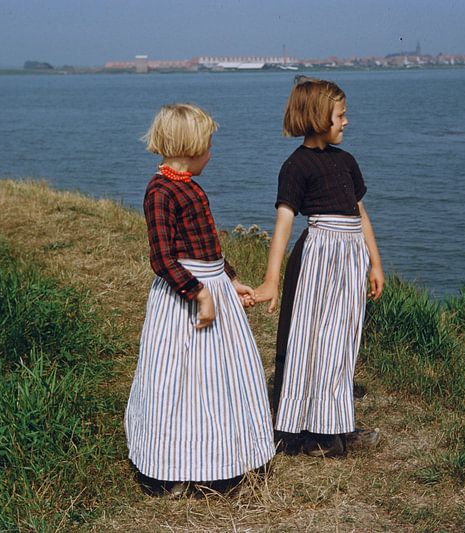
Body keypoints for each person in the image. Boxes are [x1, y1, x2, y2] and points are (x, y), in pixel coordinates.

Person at [125, 103, 275, 496]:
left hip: (211, 286)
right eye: (209, 144)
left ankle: (221, 460)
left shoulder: (190, 186)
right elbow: (162, 258)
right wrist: (200, 293)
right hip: (183, 299)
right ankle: (167, 466)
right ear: (191, 146)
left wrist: (229, 281)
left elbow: (207, 247)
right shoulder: (160, 192)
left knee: (219, 381)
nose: (212, 151)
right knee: (176, 381)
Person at [255, 77, 384, 458]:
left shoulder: (346, 162)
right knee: (313, 342)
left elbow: (361, 216)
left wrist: (375, 263)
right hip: (318, 261)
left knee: (342, 343)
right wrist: (271, 280)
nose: (346, 121)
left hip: (350, 261)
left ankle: (336, 424)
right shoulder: (295, 166)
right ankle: (312, 432)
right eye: (340, 115)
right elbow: (283, 223)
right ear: (317, 117)